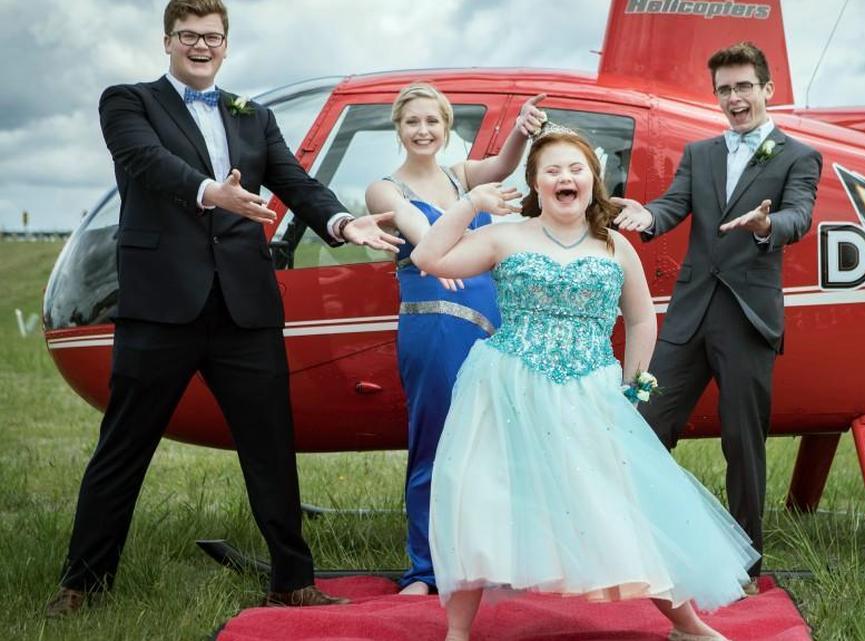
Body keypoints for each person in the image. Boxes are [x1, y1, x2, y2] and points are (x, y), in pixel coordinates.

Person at [45, 0, 402, 617]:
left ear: (226, 45)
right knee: (123, 448)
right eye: (188, 35)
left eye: (211, 36)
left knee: (271, 447)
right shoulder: (128, 102)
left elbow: (295, 181)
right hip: (160, 306)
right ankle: (83, 584)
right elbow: (146, 163)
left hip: (244, 308)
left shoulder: (252, 114)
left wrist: (343, 222)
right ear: (168, 41)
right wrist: (213, 192)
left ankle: (292, 580)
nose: (201, 46)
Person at [412, 126, 758, 641]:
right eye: (552, 170)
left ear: (593, 181)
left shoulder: (615, 246)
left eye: (575, 169)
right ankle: (457, 632)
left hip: (590, 391)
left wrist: (633, 386)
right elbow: (428, 258)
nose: (564, 178)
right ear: (536, 182)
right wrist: (471, 203)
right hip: (506, 387)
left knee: (625, 504)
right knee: (482, 500)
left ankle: (687, 624)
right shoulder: (506, 236)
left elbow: (641, 319)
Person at [611, 41, 822, 586]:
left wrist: (766, 225)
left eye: (744, 86)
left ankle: (746, 565)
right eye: (725, 89)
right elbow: (673, 205)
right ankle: (643, 547)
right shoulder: (700, 153)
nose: (734, 98)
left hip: (748, 317)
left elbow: (799, 216)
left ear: (767, 89)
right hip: (690, 313)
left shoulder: (798, 156)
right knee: (643, 424)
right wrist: (647, 216)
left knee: (742, 443)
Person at [363, 84, 546, 596]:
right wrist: (438, 246)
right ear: (398, 129)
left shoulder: (460, 174)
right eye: (412, 122)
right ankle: (426, 569)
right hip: (434, 321)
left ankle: (496, 560)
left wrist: (520, 130)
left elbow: (503, 167)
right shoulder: (384, 188)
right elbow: (416, 228)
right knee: (437, 440)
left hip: (494, 319)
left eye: (432, 121)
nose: (423, 130)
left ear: (446, 128)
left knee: (497, 439)